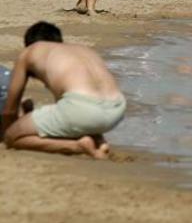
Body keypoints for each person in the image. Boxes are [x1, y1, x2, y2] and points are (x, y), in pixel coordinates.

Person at [1, 22, 126, 160]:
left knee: (12, 137)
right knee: (73, 116)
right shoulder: (81, 50)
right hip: (116, 108)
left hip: (82, 109)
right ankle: (99, 141)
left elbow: (9, 111)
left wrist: (11, 132)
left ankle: (80, 146)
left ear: (28, 43)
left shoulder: (30, 52)